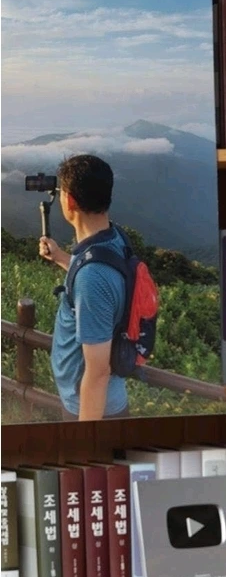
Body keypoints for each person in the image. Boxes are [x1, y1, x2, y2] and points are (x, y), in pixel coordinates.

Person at [39, 154, 129, 421]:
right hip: (99, 403)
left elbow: (98, 373)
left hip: (91, 409)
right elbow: (99, 275)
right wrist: (61, 258)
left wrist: (85, 435)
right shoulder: (112, 239)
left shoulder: (92, 278)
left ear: (69, 201)